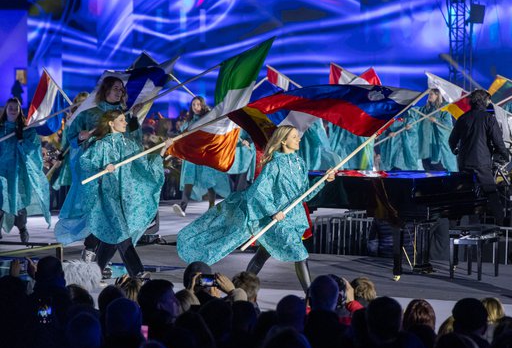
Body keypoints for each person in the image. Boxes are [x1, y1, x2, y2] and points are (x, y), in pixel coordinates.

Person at [177, 125, 336, 292]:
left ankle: (239, 290)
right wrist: (273, 211)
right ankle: (310, 297)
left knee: (261, 256)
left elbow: (305, 195)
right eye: (294, 136)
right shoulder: (274, 165)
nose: (299, 139)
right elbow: (259, 192)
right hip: (278, 221)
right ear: (283, 140)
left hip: (295, 220)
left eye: (298, 136)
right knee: (301, 255)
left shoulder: (300, 163)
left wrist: (323, 180)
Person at [55, 76, 138, 260]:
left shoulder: (124, 114)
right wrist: (81, 137)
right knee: (102, 212)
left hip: (119, 172)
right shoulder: (89, 113)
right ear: (106, 90)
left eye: (121, 89)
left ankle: (97, 259)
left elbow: (132, 138)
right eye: (116, 88)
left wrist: (135, 121)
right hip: (98, 169)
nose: (120, 92)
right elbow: (72, 137)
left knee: (112, 215)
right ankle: (94, 253)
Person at [79, 109, 166, 277]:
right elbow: (85, 162)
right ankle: (137, 271)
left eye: (125, 120)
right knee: (121, 232)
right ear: (111, 123)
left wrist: (162, 151)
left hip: (126, 197)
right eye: (121, 120)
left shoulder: (130, 144)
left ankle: (94, 272)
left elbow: (145, 167)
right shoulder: (101, 145)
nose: (125, 123)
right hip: (108, 196)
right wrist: (102, 168)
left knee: (113, 235)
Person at [448, 89, 510, 224]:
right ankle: (502, 223)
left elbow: (452, 140)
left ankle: (461, 224)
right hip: (482, 163)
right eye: (488, 99)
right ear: (483, 101)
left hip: (464, 162)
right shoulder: (489, 119)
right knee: (491, 192)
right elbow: (498, 142)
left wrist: (456, 150)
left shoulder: (463, 118)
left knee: (466, 193)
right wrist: (505, 155)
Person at [0, 97, 51, 242]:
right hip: (1, 171)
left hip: (18, 171)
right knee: (0, 199)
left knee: (18, 200)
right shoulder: (0, 128)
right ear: (6, 109)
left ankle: (22, 228)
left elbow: (33, 149)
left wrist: (22, 140)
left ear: (19, 110)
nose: (13, 110)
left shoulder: (27, 130)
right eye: (10, 107)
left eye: (16, 108)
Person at [173, 96, 230, 217]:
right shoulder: (188, 123)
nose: (196, 107)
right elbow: (182, 137)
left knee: (208, 180)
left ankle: (211, 205)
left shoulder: (208, 121)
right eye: (194, 105)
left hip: (204, 156)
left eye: (198, 105)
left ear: (202, 105)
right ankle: (183, 206)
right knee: (189, 180)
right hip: (191, 157)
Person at [417, 88, 457, 171]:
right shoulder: (425, 109)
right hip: (426, 143)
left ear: (437, 95)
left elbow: (448, 125)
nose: (429, 96)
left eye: (431, 94)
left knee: (437, 167)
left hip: (437, 143)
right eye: (429, 94)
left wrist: (437, 120)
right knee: (426, 166)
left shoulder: (443, 108)